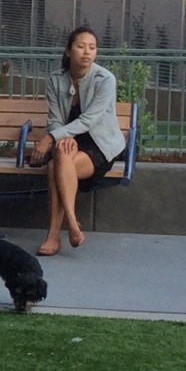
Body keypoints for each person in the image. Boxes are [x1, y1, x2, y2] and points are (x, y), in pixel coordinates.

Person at [31, 25, 127, 257]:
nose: (87, 52)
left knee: (56, 166)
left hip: (99, 145)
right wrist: (62, 135)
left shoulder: (105, 79)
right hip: (69, 143)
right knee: (61, 157)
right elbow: (54, 119)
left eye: (92, 48)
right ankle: (72, 225)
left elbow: (90, 120)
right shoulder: (56, 80)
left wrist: (54, 137)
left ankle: (55, 235)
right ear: (68, 51)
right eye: (81, 46)